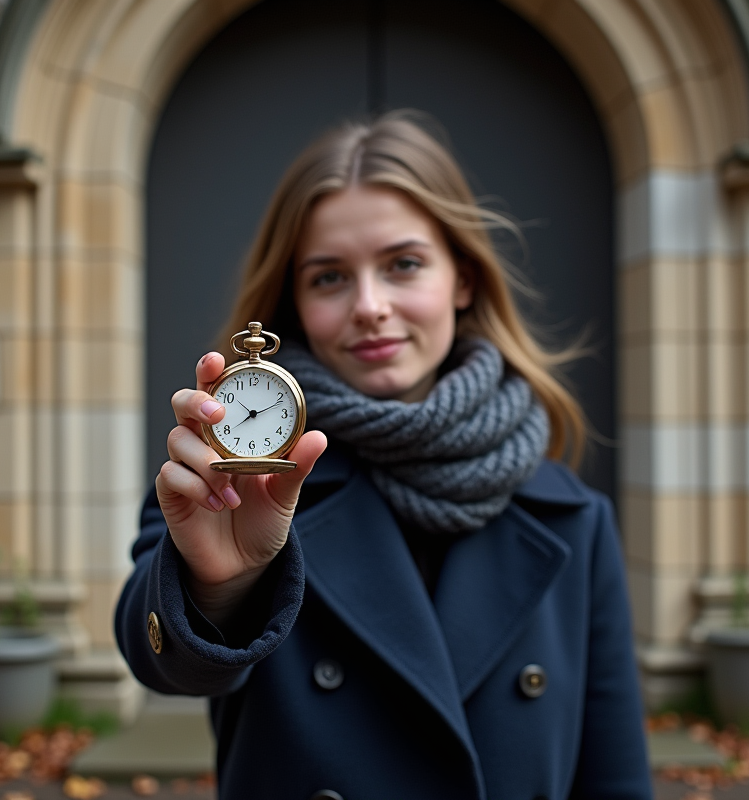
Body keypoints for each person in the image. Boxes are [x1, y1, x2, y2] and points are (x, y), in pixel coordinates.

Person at [115, 110, 652, 800]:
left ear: (462, 279)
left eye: (403, 264)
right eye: (330, 277)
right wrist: (219, 585)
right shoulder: (232, 476)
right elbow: (161, 663)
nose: (369, 306)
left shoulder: (574, 520)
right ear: (295, 304)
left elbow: (614, 781)